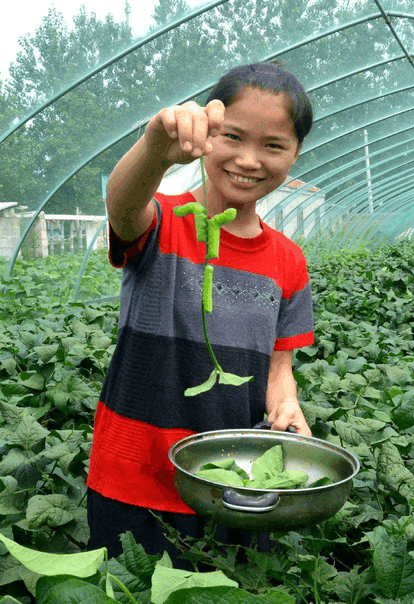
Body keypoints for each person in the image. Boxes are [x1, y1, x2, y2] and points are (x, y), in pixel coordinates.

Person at [86, 62, 315, 563]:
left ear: (295, 154)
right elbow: (122, 209)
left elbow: (280, 368)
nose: (249, 160)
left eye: (274, 145)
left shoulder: (288, 262)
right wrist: (153, 150)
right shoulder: (164, 221)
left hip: (234, 483)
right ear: (209, 135)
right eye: (232, 136)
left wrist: (286, 407)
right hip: (134, 479)